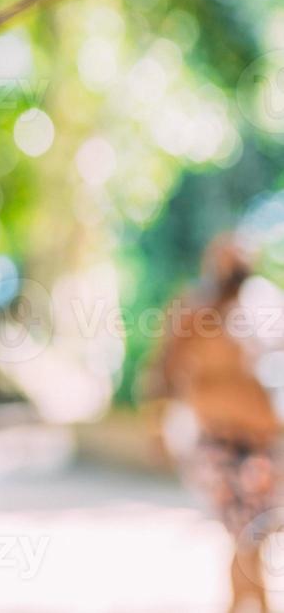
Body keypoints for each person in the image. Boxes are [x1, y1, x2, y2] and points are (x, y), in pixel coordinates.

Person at [158, 234, 283, 613]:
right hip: (221, 443)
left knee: (252, 537)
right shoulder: (195, 310)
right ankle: (247, 603)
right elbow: (166, 370)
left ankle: (247, 603)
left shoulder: (264, 303)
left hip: (265, 442)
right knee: (246, 538)